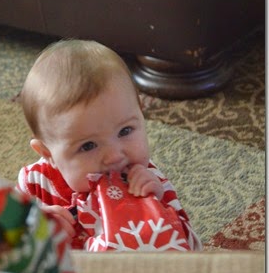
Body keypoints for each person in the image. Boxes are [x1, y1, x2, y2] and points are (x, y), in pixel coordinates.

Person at [17, 39, 202, 251]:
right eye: (88, 146)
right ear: (47, 153)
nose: (114, 156)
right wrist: (33, 232)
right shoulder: (34, 184)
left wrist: (159, 207)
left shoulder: (146, 179)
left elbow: (192, 250)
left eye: (125, 131)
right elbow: (3, 251)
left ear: (141, 114)